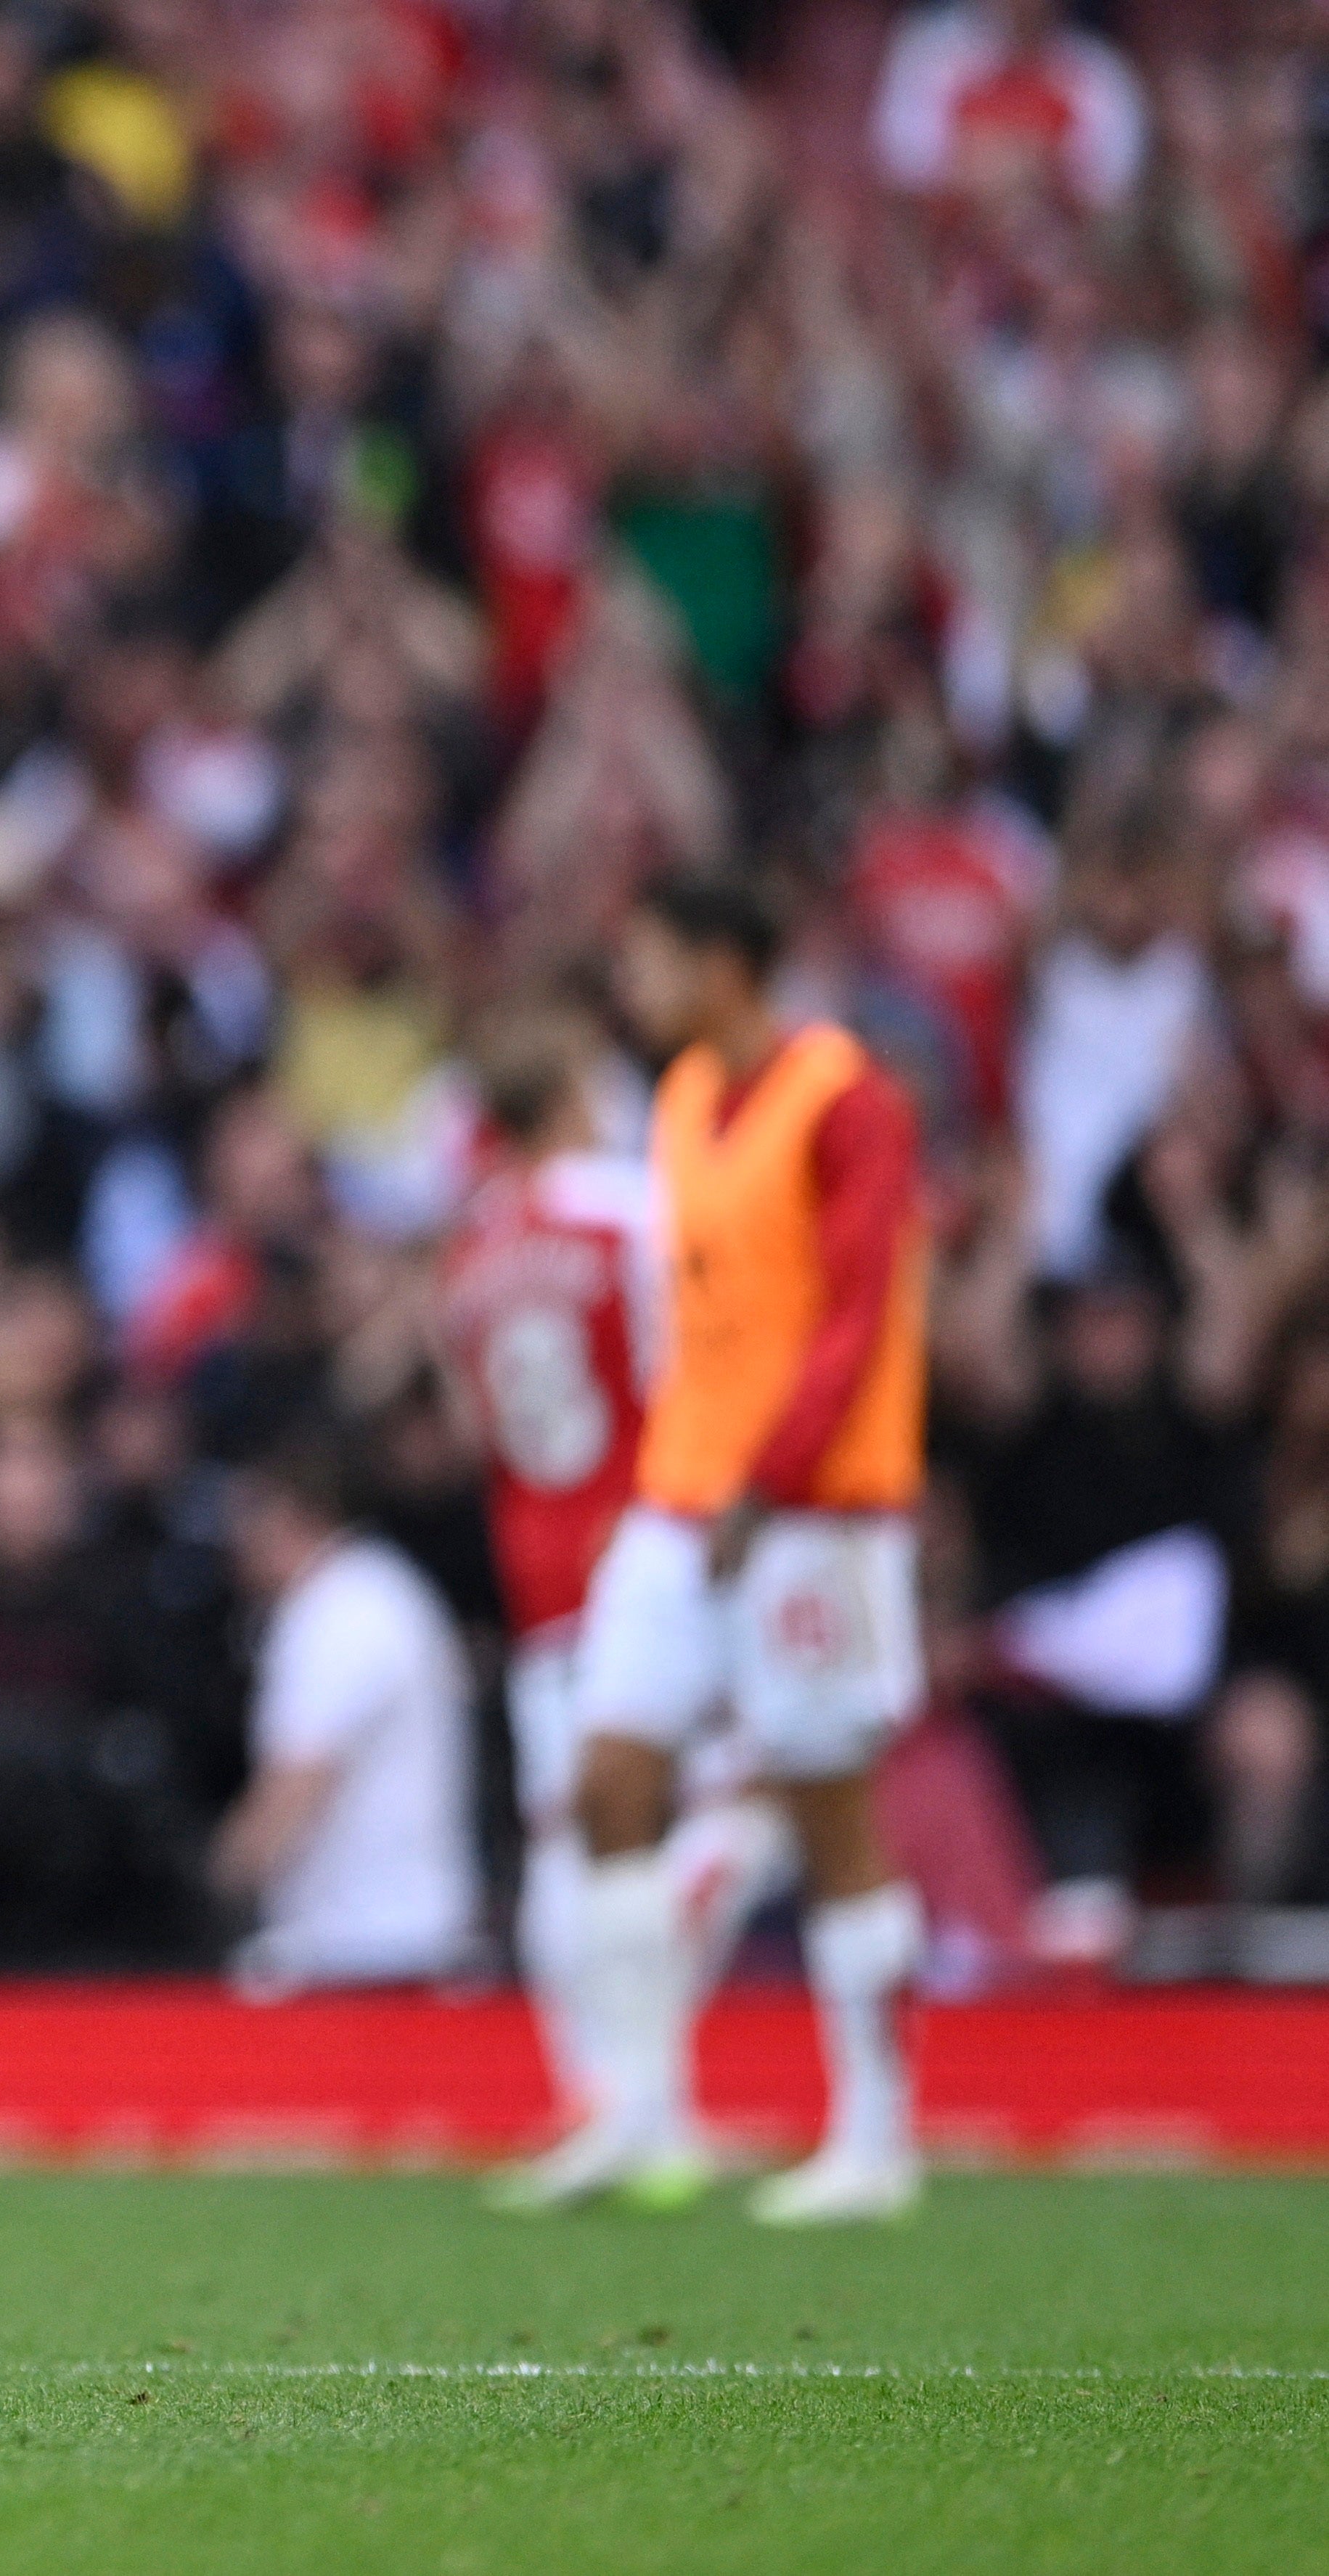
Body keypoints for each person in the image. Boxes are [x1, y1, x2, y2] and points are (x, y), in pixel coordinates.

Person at [530, 874, 933, 2226]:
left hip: (814, 1507)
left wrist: (777, 1473)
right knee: (608, 1778)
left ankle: (875, 2136)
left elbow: (859, 1306)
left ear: (723, 961)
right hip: (683, 1490)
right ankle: (644, 2116)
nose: (633, 988)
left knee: (831, 1807)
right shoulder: (683, 1099)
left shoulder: (848, 1099)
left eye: (650, 959)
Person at [438, 1016, 790, 2177]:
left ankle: (608, 2099)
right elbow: (699, 1351)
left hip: (533, 1557)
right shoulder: (629, 1209)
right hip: (645, 1541)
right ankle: (641, 2090)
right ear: (574, 1096)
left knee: (562, 1834)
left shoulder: (470, 1252)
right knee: (750, 1804)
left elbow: (471, 1424)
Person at [210, 1417, 481, 1993]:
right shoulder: (377, 1592)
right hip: (394, 1935)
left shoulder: (340, 1613)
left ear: (287, 1516)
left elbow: (296, 1785)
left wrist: (210, 1887)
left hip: (370, 1948)